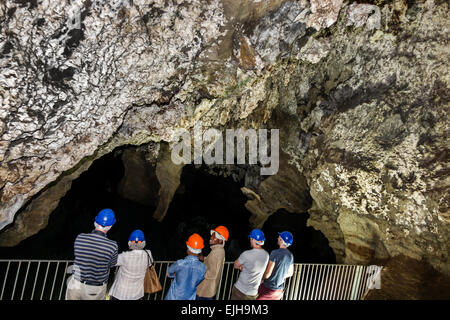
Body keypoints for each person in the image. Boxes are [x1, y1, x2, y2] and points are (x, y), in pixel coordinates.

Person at [65, 208, 118, 300]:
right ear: (110, 226)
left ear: (95, 221)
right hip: (95, 289)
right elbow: (112, 264)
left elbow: (78, 256)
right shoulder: (113, 245)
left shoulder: (80, 237)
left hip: (76, 285)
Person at [108, 229, 154, 300]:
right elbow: (150, 263)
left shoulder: (124, 256)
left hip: (120, 293)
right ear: (143, 242)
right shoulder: (148, 254)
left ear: (130, 242)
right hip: (137, 294)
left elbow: (111, 262)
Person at [165, 233, 206, 300]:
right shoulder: (203, 268)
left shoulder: (180, 263)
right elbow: (198, 280)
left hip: (174, 297)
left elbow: (169, 273)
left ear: (188, 249)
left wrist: (175, 275)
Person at [230, 229, 269, 300]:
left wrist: (241, 267)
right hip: (253, 293)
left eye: (251, 239)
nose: (250, 240)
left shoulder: (246, 254)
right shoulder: (266, 255)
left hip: (240, 290)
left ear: (253, 239)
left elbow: (236, 265)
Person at [257, 231, 294, 300]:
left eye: (279, 238)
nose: (277, 238)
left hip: (268, 289)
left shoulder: (275, 253)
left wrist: (261, 279)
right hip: (278, 291)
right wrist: (279, 276)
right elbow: (290, 273)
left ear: (281, 240)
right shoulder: (290, 255)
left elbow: (268, 273)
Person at [196, 226, 229, 300]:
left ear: (220, 241)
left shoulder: (216, 252)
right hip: (209, 289)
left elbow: (212, 273)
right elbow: (212, 262)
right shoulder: (218, 250)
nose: (211, 238)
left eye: (214, 237)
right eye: (211, 236)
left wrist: (197, 271)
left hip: (204, 291)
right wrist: (203, 258)